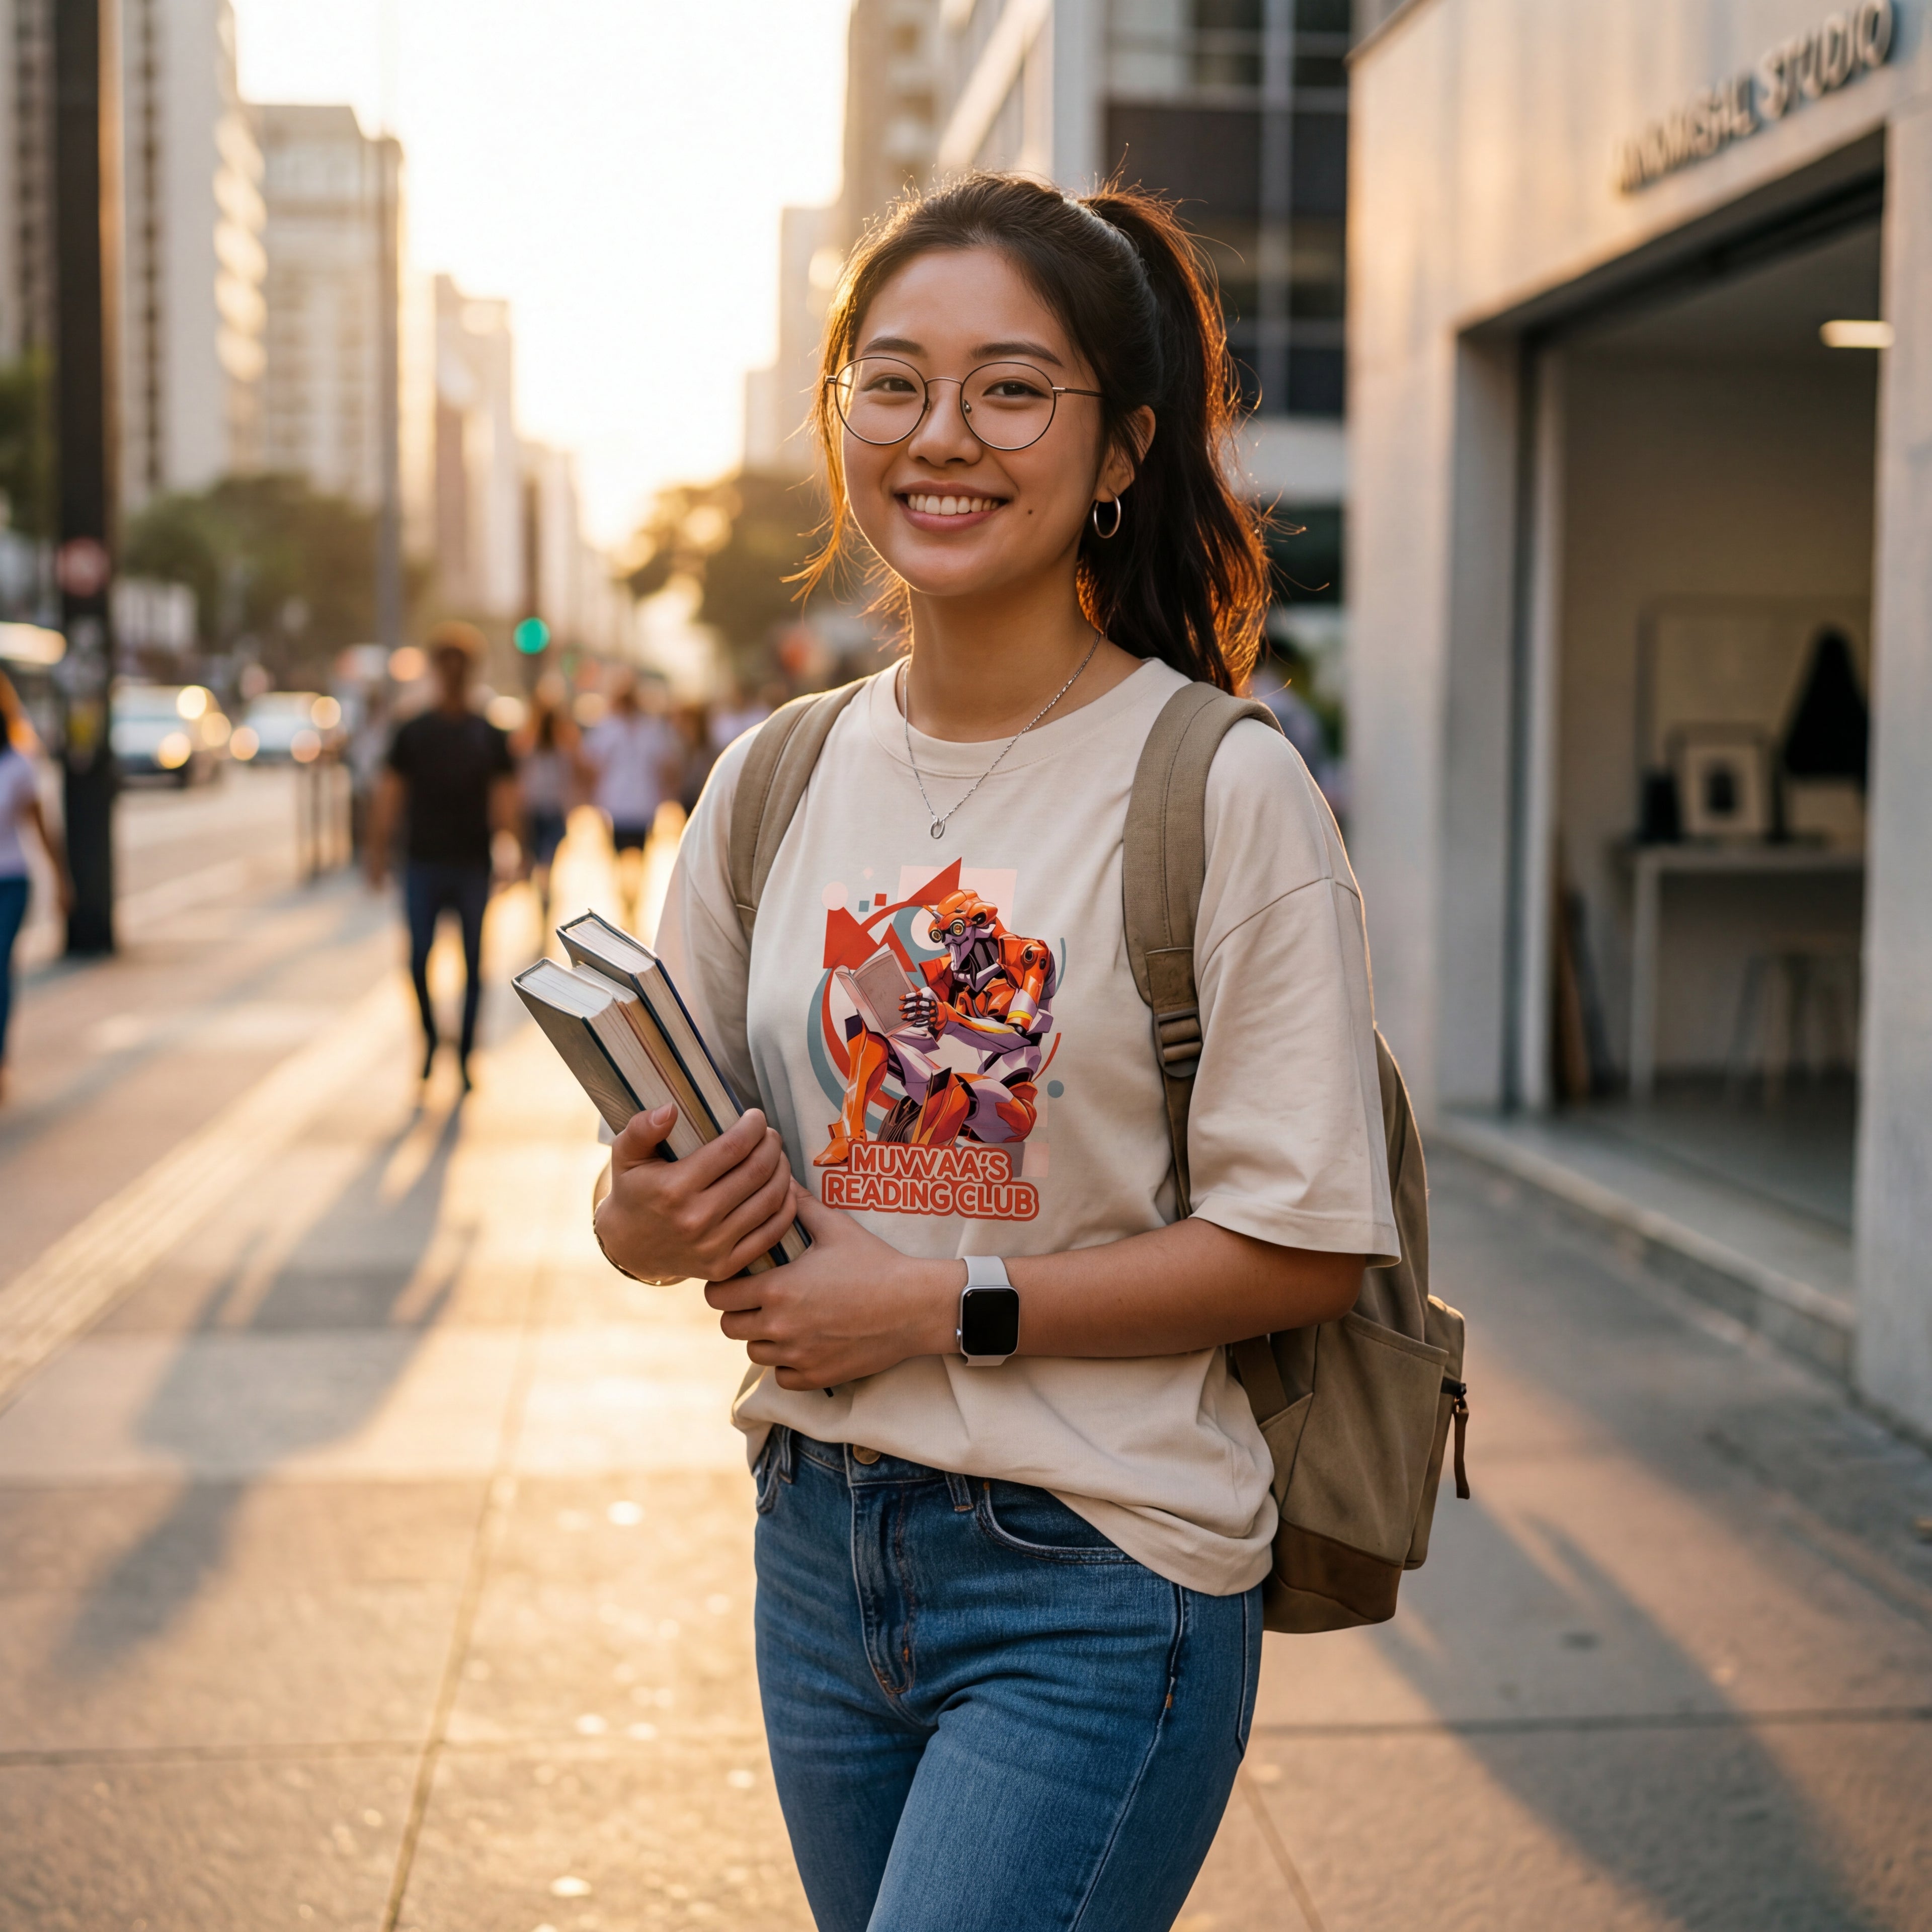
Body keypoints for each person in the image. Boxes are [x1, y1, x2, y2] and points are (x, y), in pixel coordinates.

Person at [594, 175, 1396, 1931]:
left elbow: (1310, 1246)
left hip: (1096, 1575)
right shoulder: (776, 774)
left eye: (1013, 389)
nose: (940, 436)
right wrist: (657, 1214)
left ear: (1120, 449)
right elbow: (634, 1205)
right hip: (818, 1551)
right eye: (892, 381)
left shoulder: (1218, 785)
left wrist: (942, 1302)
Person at [365, 622, 519, 1089]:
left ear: (470, 673)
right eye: (445, 665)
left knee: (475, 964)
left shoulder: (489, 734)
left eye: (461, 666)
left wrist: (516, 847)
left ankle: (468, 1053)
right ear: (435, 670)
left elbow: (508, 796)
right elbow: (389, 795)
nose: (452, 675)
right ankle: (431, 1039)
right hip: (422, 862)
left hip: (472, 862)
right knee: (418, 961)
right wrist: (376, 850)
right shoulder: (412, 731)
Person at [0, 671, 73, 1103]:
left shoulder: (18, 764)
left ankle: (1, 1058)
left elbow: (40, 826)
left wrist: (61, 879)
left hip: (10, 879)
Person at [582, 673, 681, 930]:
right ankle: (627, 903)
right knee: (620, 859)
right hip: (619, 804)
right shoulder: (613, 728)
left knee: (636, 858)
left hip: (637, 804)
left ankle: (632, 904)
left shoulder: (644, 729)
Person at [512, 673, 583, 923]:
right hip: (541, 807)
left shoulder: (556, 744)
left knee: (544, 856)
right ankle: (543, 892)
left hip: (545, 808)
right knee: (541, 858)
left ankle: (543, 894)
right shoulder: (531, 743)